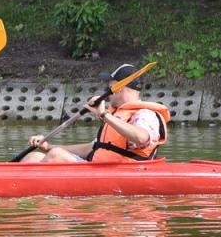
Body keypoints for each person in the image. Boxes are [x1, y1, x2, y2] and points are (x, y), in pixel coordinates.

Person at [21, 63, 171, 163]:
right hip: (98, 168)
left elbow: (141, 137)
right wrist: (49, 146)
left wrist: (104, 116)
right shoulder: (116, 114)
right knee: (34, 157)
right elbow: (92, 148)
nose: (107, 91)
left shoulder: (145, 114)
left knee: (56, 156)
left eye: (109, 86)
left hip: (123, 172)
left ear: (118, 87)